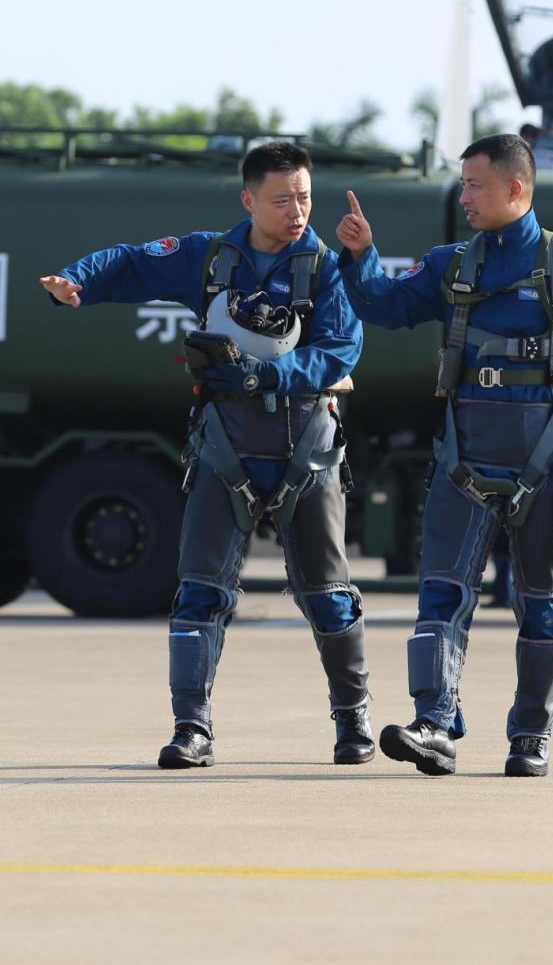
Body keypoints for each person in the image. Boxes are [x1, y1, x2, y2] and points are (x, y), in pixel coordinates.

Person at [39, 141, 374, 769]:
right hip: (227, 448)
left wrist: (263, 376)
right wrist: (78, 281)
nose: (297, 210)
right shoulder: (209, 256)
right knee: (199, 592)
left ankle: (353, 723)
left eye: (304, 197)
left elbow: (340, 351)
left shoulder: (329, 268)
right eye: (281, 199)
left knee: (329, 593)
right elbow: (133, 263)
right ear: (248, 200)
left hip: (308, 450)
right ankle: (191, 728)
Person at [336, 133, 553, 778]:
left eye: (476, 184)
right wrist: (360, 256)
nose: (465, 196)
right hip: (462, 460)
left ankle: (531, 734)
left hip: (545, 462)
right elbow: (385, 307)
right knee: (440, 594)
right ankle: (434, 723)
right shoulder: (451, 264)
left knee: (544, 600)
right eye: (464, 183)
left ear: (516, 189)